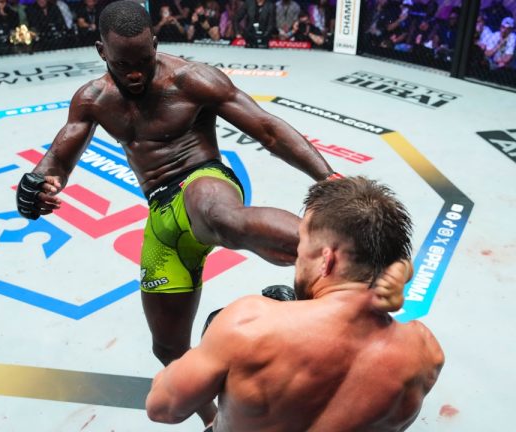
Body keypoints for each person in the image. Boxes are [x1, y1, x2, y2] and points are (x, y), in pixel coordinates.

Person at [14, 0, 338, 425]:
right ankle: (215, 423)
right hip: (162, 216)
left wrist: (327, 177)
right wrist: (36, 187)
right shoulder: (93, 99)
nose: (135, 72)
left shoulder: (190, 79)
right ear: (101, 52)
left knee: (223, 218)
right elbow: (57, 161)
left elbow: (268, 130)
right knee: (168, 349)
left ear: (155, 43)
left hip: (202, 181)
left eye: (144, 60)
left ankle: (339, 256)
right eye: (123, 63)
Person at [146, 177, 445, 431]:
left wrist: (215, 349)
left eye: (301, 246)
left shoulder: (249, 324)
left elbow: (163, 408)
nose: (298, 258)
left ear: (326, 260)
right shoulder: (426, 352)